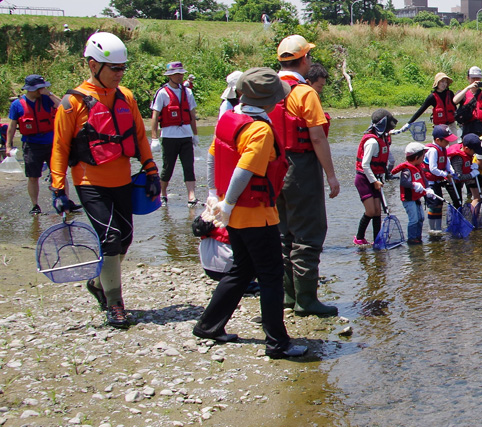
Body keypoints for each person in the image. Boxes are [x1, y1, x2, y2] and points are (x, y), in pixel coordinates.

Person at [50, 32, 160, 329]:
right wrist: (58, 187)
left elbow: (139, 136)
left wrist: (151, 170)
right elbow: (59, 148)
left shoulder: (126, 97)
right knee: (110, 239)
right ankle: (115, 304)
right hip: (90, 182)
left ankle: (98, 284)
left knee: (125, 238)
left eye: (123, 68)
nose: (119, 74)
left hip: (122, 180)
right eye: (114, 68)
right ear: (92, 65)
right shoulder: (72, 104)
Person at [195, 68, 306, 358]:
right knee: (271, 276)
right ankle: (277, 343)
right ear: (271, 102)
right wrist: (228, 204)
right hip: (254, 213)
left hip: (233, 214)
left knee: (242, 269)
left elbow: (212, 154)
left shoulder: (229, 118)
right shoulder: (260, 129)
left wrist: (214, 196)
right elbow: (244, 169)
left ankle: (209, 325)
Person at [270, 34, 340, 317]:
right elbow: (317, 139)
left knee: (284, 232)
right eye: (309, 56)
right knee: (309, 232)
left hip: (272, 168)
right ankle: (307, 300)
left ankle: (288, 294)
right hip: (300, 168)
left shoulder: (267, 89)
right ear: (304, 60)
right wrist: (332, 176)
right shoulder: (305, 93)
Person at [7, 74, 74, 215]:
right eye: (39, 88)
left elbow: (63, 106)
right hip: (31, 145)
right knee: (33, 176)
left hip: (51, 143)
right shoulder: (17, 105)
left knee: (59, 174)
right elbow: (12, 126)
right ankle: (35, 205)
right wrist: (8, 145)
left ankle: (66, 200)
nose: (42, 90)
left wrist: (49, 93)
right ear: (31, 89)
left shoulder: (46, 99)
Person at [150, 61, 201, 205]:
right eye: (176, 74)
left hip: (186, 136)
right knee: (168, 167)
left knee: (188, 166)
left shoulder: (187, 92)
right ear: (170, 76)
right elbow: (155, 116)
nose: (180, 76)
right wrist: (154, 138)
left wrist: (195, 135)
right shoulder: (162, 93)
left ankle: (191, 196)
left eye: (181, 73)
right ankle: (163, 193)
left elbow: (192, 115)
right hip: (169, 136)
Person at [353, 110, 396, 246]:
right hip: (364, 179)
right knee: (371, 211)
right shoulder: (372, 141)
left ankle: (377, 239)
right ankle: (359, 238)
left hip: (377, 178)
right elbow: (365, 165)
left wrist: (380, 179)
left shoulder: (383, 139)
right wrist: (374, 181)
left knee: (378, 211)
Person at [422, 124, 457, 236]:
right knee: (434, 205)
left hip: (437, 182)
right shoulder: (433, 150)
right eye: (446, 141)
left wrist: (451, 171)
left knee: (439, 204)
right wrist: (445, 175)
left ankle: (438, 227)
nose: (448, 143)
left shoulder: (443, 149)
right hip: (430, 183)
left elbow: (447, 163)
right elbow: (432, 169)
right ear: (438, 140)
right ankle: (432, 229)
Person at [393, 141, 430, 244]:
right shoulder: (407, 170)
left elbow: (424, 180)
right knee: (414, 219)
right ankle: (412, 239)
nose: (424, 158)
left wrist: (428, 189)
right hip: (409, 199)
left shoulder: (418, 168)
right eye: (423, 156)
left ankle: (418, 237)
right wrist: (414, 185)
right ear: (416, 157)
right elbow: (404, 182)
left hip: (416, 198)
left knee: (421, 218)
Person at [402, 72, 456, 136]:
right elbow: (421, 110)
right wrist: (409, 123)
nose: (444, 84)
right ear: (437, 83)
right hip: (439, 128)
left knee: (454, 145)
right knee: (437, 145)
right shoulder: (432, 97)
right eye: (442, 82)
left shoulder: (450, 94)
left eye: (446, 82)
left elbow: (455, 108)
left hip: (451, 125)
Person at [453, 66, 482, 137]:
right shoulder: (463, 93)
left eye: (478, 78)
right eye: (473, 78)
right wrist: (468, 88)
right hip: (467, 128)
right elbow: (455, 101)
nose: (476, 81)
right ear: (468, 78)